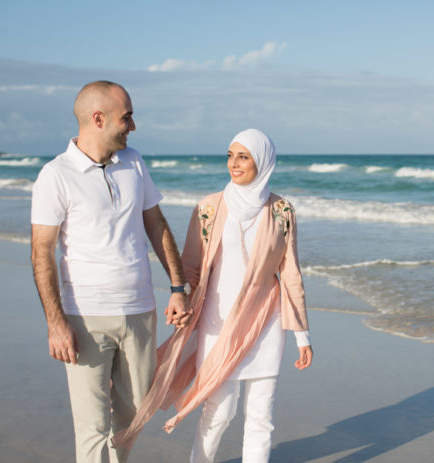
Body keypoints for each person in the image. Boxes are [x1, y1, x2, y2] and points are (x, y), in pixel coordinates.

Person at [111, 129, 312, 463]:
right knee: (220, 410)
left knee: (261, 416)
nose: (233, 164)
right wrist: (181, 301)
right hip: (217, 322)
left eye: (243, 156)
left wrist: (302, 335)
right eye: (230, 155)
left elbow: (290, 273)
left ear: (262, 161)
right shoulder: (208, 209)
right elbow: (190, 267)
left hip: (266, 321)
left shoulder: (282, 211)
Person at [30, 80, 192, 463]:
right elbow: (42, 254)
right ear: (98, 118)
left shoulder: (133, 162)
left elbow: (157, 224)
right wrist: (56, 323)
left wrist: (177, 286)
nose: (133, 126)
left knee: (136, 413)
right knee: (91, 425)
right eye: (127, 117)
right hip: (84, 315)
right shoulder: (55, 175)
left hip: (139, 309)